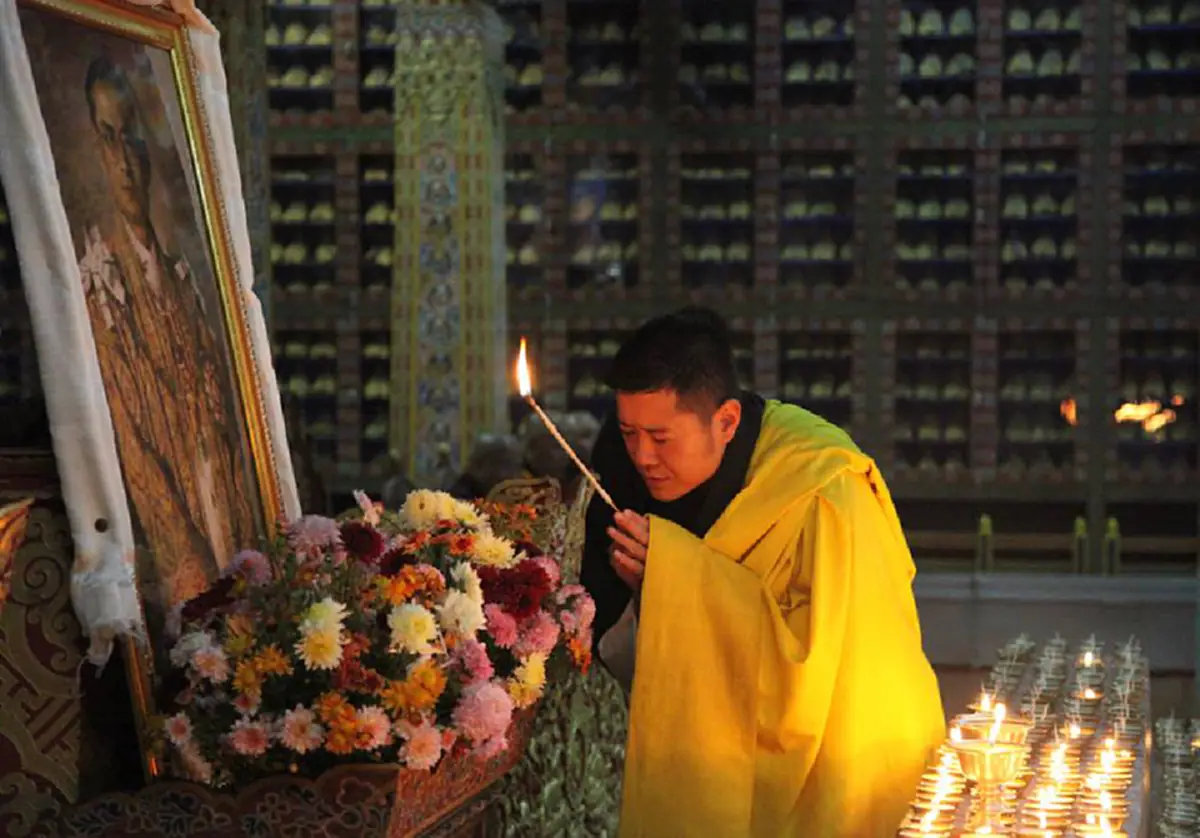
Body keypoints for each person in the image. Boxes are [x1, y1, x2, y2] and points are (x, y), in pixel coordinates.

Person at [580, 307, 945, 837]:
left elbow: (808, 672)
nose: (643, 456)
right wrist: (655, 594)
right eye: (628, 432)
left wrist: (677, 580)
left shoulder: (822, 487)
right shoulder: (623, 466)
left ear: (727, 421)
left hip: (849, 755)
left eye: (661, 437)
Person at [75, 57, 257, 627]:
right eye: (109, 138)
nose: (125, 159)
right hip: (176, 579)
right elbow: (133, 449)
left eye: (132, 136)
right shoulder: (98, 293)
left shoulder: (185, 279)